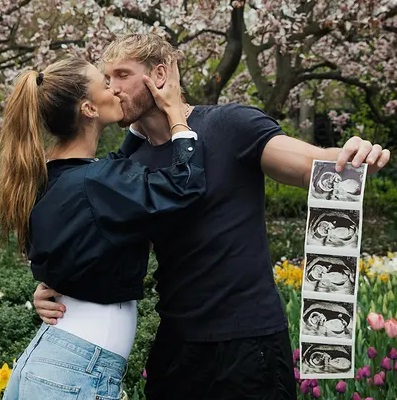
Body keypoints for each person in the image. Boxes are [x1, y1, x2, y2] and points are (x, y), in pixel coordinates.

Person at [34, 34, 391, 400]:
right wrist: (52, 284)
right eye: (107, 79)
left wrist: (354, 154)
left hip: (250, 344)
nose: (113, 88)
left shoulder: (231, 124)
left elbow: (306, 165)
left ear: (159, 75)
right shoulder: (129, 165)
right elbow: (93, 244)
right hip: (176, 347)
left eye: (122, 74)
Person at [0, 56, 206, 400]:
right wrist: (177, 118)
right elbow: (184, 186)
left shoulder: (49, 176)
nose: (115, 89)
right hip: (75, 371)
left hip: (49, 362)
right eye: (105, 84)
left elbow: (107, 186)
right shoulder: (97, 182)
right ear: (89, 109)